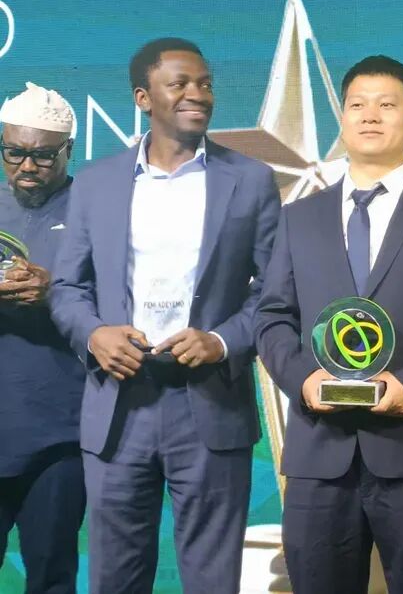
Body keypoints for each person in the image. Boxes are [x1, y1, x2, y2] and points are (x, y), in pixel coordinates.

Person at [255, 55, 403, 594]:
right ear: (342, 120)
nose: (370, 115)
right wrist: (304, 380)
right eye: (357, 105)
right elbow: (272, 316)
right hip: (320, 455)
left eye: (387, 105)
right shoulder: (297, 217)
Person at [49, 38, 280, 594]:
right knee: (115, 576)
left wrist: (221, 341)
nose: (196, 94)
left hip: (210, 404)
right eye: (179, 84)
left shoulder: (250, 180)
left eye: (204, 84)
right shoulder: (97, 182)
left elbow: (277, 293)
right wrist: (94, 335)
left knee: (211, 578)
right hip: (118, 404)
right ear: (142, 97)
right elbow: (66, 287)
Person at [0, 83, 85, 593]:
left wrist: (57, 295)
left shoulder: (97, 213)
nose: (27, 166)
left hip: (61, 434)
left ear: (69, 149)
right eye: (13, 153)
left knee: (52, 575)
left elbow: (130, 309)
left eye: (43, 155)